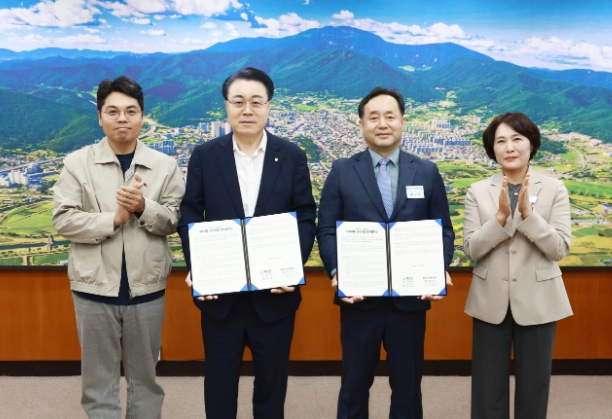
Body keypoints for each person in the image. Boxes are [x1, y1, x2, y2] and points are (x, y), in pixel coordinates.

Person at [178, 67, 317, 419]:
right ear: (226, 106)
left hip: (275, 296)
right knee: (219, 385)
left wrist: (292, 267)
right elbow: (190, 213)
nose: (247, 110)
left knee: (271, 386)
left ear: (269, 106)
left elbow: (305, 215)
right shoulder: (205, 155)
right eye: (238, 101)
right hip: (220, 297)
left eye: (256, 102)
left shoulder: (292, 155)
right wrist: (199, 265)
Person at [317, 86, 455, 419]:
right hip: (359, 299)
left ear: (403, 122)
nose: (382, 124)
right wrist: (337, 272)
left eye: (390, 116)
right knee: (353, 386)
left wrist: (436, 270)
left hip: (410, 300)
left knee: (408, 387)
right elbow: (327, 229)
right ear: (361, 124)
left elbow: (444, 230)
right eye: (374, 117)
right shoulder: (342, 170)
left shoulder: (426, 171)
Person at [52, 75, 185, 419]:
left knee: (146, 381)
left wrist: (142, 208)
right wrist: (114, 219)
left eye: (131, 111)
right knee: (98, 384)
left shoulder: (165, 165)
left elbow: (174, 220)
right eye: (112, 111)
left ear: (142, 116)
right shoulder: (77, 163)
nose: (122, 118)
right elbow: (63, 220)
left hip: (147, 288)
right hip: (93, 288)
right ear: (100, 117)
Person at [463, 112, 572, 419]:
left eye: (517, 139)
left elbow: (559, 249)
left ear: (531, 144)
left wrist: (529, 216)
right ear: (492, 149)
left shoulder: (554, 188)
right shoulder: (477, 190)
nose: (509, 147)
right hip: (490, 299)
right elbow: (471, 249)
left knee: (534, 386)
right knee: (487, 388)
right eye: (500, 141)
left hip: (539, 298)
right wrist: (499, 219)